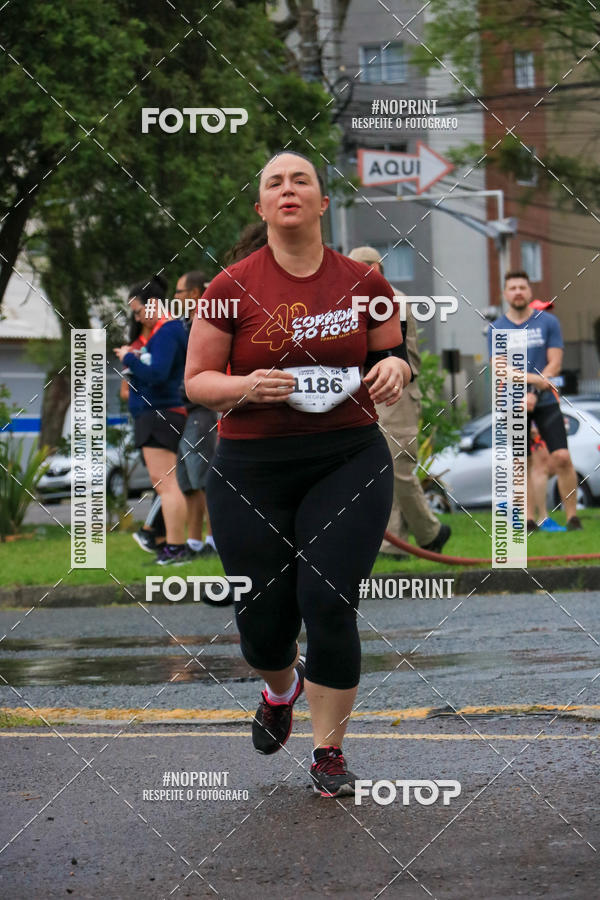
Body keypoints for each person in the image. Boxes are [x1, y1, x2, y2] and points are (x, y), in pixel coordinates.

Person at [184, 150, 411, 797]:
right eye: (274, 182)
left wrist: (396, 368)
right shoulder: (229, 289)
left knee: (329, 601)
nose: (288, 189)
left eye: (301, 180)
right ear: (261, 207)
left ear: (322, 203)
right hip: (251, 468)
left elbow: (390, 354)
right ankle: (279, 689)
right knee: (264, 619)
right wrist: (247, 384)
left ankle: (328, 754)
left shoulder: (364, 282)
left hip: (348, 457)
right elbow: (197, 381)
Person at [348, 246, 451, 557]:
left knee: (397, 467)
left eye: (362, 268)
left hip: (398, 391)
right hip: (374, 390)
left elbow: (388, 352)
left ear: (375, 267)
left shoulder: (391, 300)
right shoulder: (364, 300)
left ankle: (424, 533)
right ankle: (403, 539)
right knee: (382, 467)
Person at [487, 271, 581, 532]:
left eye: (522, 287)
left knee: (561, 457)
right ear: (505, 294)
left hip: (546, 401)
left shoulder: (548, 322)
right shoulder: (497, 329)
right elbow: (500, 369)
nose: (518, 291)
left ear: (529, 292)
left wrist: (534, 392)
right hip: (512, 404)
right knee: (521, 461)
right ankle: (528, 519)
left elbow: (555, 363)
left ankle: (573, 518)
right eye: (512, 288)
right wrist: (530, 383)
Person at [114, 275, 191, 564]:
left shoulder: (168, 331)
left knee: (166, 484)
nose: (136, 317)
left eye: (138, 310)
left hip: (159, 412)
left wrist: (129, 359)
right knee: (164, 483)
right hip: (155, 413)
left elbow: (158, 374)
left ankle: (176, 547)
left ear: (154, 304)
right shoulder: (164, 332)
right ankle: (165, 544)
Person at [173, 270, 219, 558]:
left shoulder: (207, 322)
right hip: (184, 410)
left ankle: (215, 542)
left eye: (178, 292)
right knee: (187, 481)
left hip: (203, 410)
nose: (174, 298)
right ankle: (193, 543)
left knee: (204, 479)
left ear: (192, 294)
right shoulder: (184, 324)